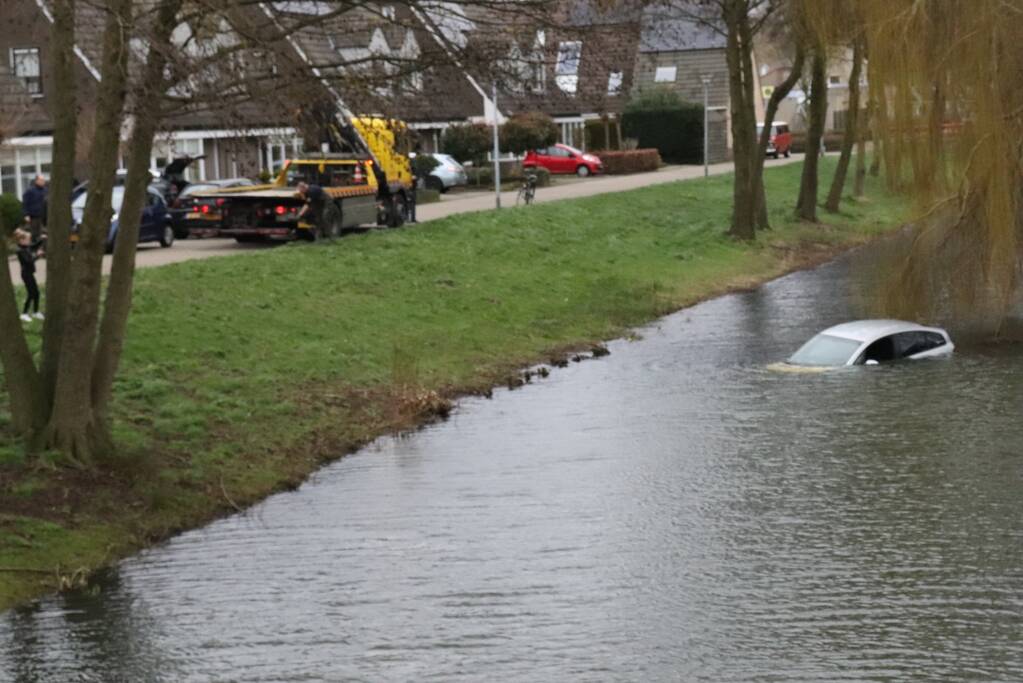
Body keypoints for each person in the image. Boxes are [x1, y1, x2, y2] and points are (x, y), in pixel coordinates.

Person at [13, 228, 43, 322]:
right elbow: (28, 261)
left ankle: (35, 312)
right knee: (31, 293)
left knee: (37, 293)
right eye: (27, 240)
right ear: (21, 240)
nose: (29, 241)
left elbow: (34, 246)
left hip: (30, 273)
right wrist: (38, 256)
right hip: (26, 274)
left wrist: (42, 239)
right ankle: (24, 313)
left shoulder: (26, 247)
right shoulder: (20, 250)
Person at [21, 175, 48, 241]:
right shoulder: (30, 191)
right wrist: (26, 215)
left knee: (44, 233)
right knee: (34, 234)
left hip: (44, 216)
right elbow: (25, 203)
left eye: (43, 180)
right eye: (41, 180)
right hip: (33, 216)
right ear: (36, 181)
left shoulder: (46, 190)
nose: (43, 182)